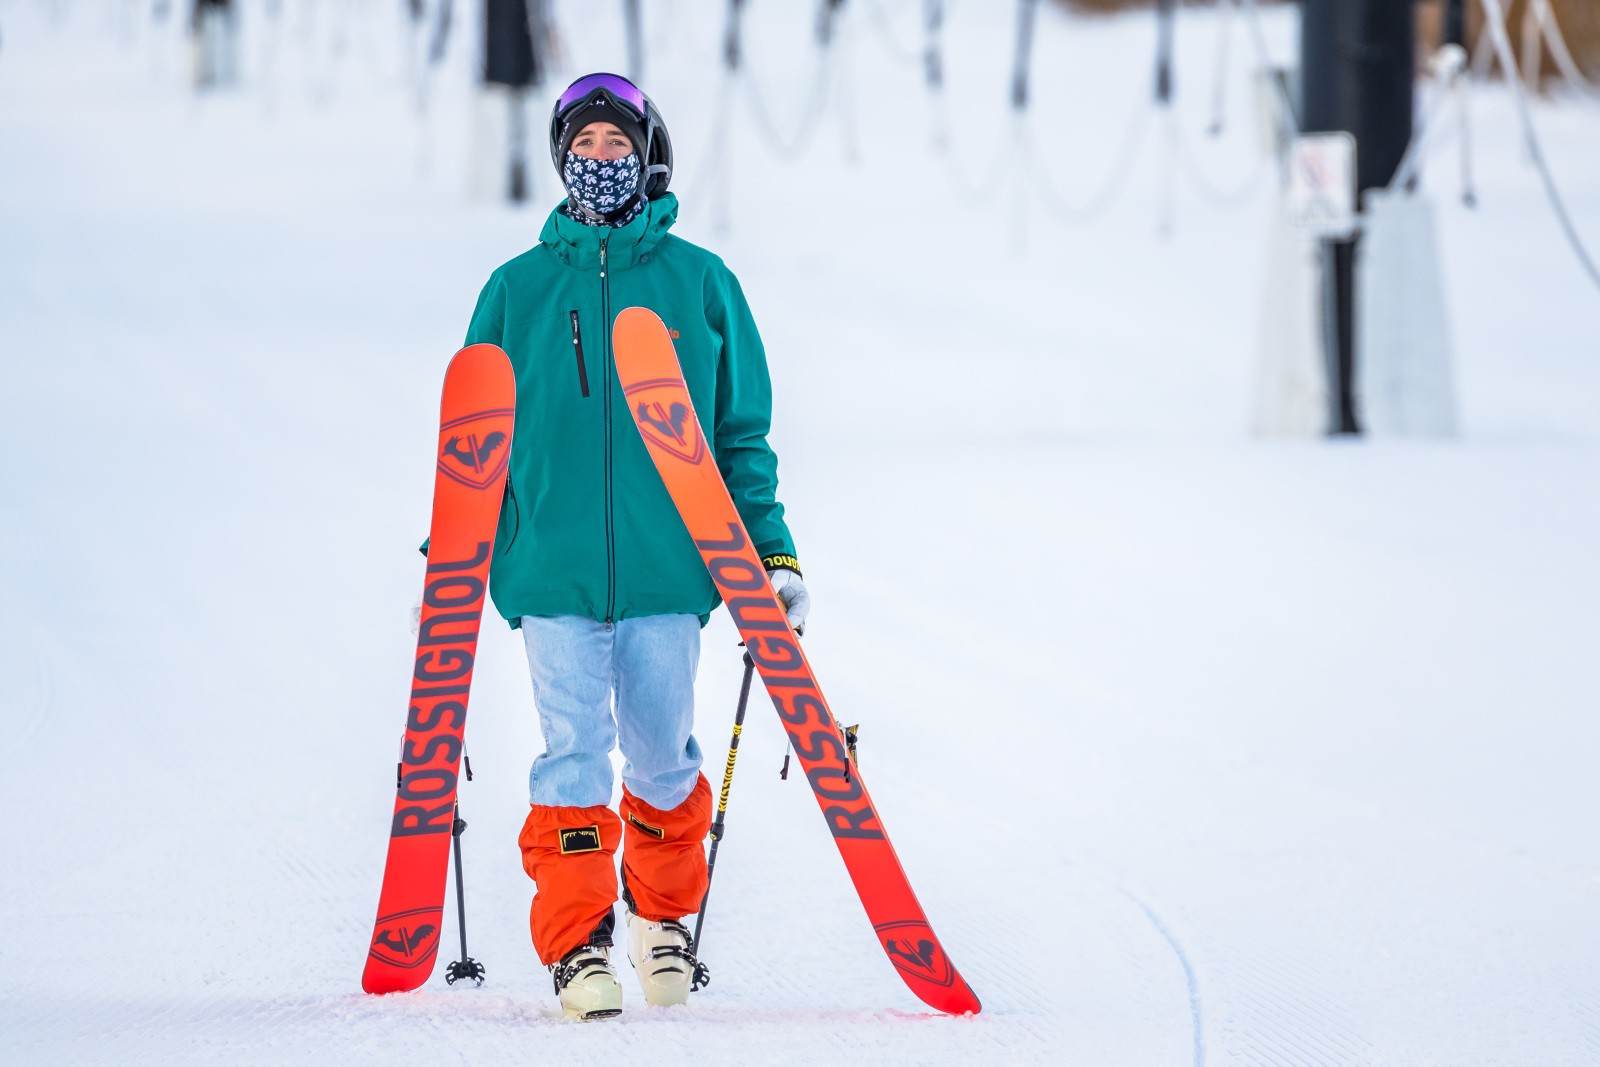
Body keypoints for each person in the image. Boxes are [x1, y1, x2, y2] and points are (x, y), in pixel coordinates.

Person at [457, 72, 809, 1020]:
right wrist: (448, 565)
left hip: (667, 570)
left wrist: (771, 556)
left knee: (662, 757)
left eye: (618, 145)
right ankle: (578, 943)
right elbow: (472, 445)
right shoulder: (517, 290)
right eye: (584, 145)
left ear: (649, 156)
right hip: (552, 571)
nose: (600, 160)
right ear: (560, 156)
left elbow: (740, 439)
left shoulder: (702, 282)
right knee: (572, 754)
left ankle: (661, 921)